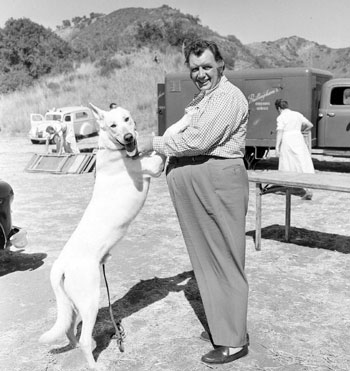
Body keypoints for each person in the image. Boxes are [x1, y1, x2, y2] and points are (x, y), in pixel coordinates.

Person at [138, 39, 250, 365]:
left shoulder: (227, 97)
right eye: (195, 69)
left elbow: (196, 140)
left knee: (224, 258)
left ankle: (233, 341)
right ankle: (222, 325)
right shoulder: (207, 98)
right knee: (206, 259)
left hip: (217, 182)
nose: (201, 74)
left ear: (222, 66)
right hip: (202, 182)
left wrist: (155, 142)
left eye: (207, 67)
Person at [274, 99, 314, 200]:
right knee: (301, 161)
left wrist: (277, 147)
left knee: (288, 162)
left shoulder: (281, 117)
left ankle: (287, 185)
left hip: (288, 139)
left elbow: (280, 132)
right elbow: (310, 125)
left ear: (279, 108)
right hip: (298, 138)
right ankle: (307, 186)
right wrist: (301, 131)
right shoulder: (297, 114)